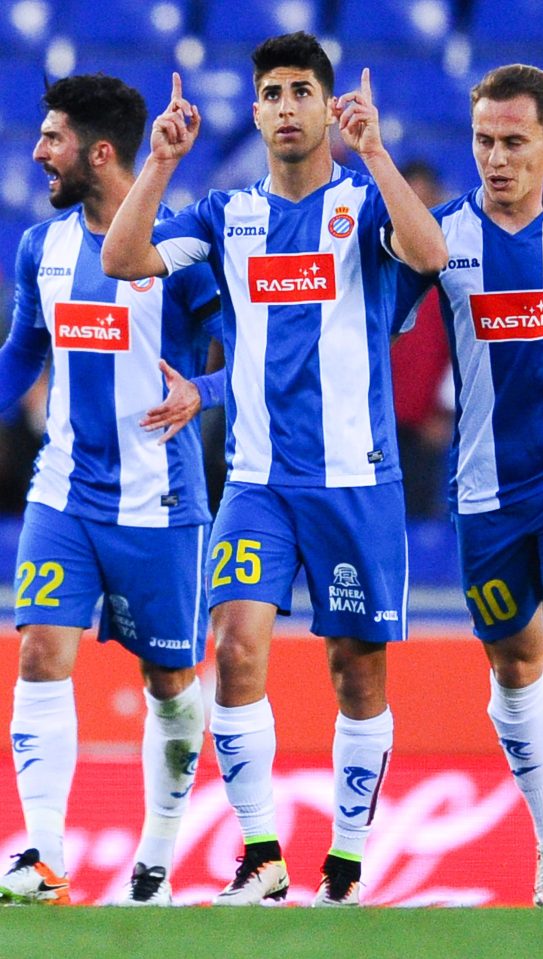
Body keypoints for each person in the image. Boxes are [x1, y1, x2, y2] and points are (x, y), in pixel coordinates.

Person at [102, 32, 447, 906]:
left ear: (325, 106)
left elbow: (432, 254)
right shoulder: (225, 215)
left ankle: (347, 856)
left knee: (355, 671)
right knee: (237, 647)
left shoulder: (363, 209)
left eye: (302, 90)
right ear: (254, 111)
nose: (286, 105)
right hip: (256, 481)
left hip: (355, 479)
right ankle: (262, 853)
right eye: (273, 92)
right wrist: (160, 164)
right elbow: (122, 258)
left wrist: (373, 152)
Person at [394, 64, 543, 907]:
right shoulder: (442, 239)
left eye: (514, 141)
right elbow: (365, 314)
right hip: (483, 491)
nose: (497, 157)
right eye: (485, 140)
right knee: (515, 665)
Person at [0, 74, 222, 907]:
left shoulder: (184, 252)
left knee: (171, 682)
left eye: (52, 138)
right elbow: (25, 350)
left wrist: (213, 392)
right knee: (40, 649)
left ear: (99, 152)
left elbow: (249, 355)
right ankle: (44, 856)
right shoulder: (41, 247)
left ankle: (156, 859)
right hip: (63, 492)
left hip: (159, 506)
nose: (37, 152)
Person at [391, 161, 453, 519]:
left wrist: (444, 411)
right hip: (372, 425)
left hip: (422, 428)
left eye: (423, 204)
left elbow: (465, 345)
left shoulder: (452, 270)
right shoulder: (375, 263)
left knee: (419, 527)